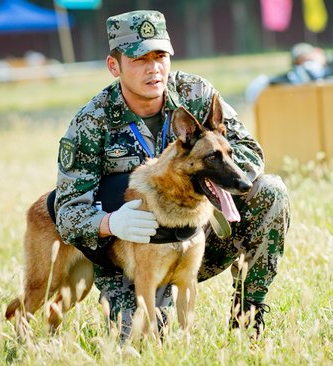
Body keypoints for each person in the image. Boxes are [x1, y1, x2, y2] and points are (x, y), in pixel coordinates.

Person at [54, 10, 290, 339]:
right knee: (140, 343)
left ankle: (247, 317)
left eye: (160, 56)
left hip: (197, 234)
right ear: (114, 66)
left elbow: (249, 154)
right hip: (132, 256)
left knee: (271, 191)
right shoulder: (92, 123)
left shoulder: (196, 94)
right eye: (139, 59)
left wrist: (199, 185)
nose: (154, 68)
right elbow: (66, 213)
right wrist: (110, 223)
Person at [245, 42, 333, 102]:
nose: (308, 66)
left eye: (307, 59)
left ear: (318, 52)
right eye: (301, 65)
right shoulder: (306, 76)